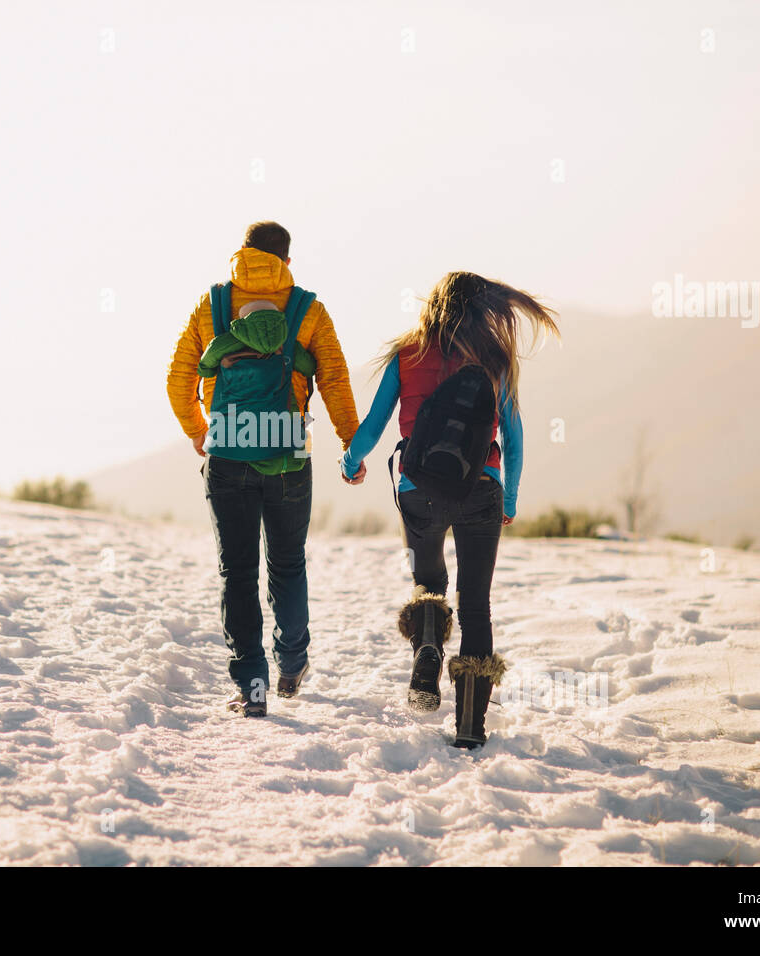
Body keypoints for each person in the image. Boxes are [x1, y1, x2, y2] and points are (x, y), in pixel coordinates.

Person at [340, 272, 559, 747]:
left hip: (419, 489)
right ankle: (468, 725)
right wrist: (511, 498)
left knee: (429, 583)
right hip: (482, 488)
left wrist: (351, 461)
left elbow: (375, 424)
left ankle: (426, 646)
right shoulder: (494, 360)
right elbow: (515, 440)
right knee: (475, 605)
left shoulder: (407, 353)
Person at [167, 221, 360, 717]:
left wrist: (197, 430)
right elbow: (335, 379)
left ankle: (252, 687)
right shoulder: (308, 309)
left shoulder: (212, 307)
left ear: (242, 254)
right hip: (288, 459)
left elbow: (179, 376)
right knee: (288, 564)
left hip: (228, 456)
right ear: (287, 263)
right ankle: (291, 663)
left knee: (237, 572)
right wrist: (349, 443)